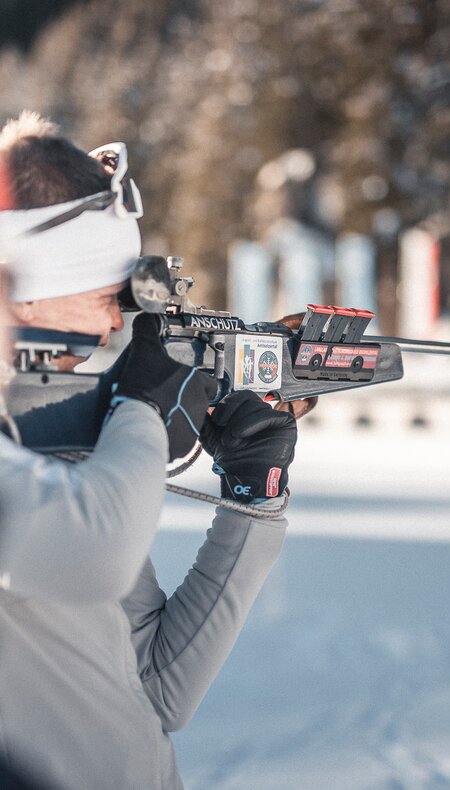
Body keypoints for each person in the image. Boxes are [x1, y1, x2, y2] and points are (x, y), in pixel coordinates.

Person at [0, 112, 297, 790]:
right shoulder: (81, 499)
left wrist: (254, 501)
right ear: (22, 288)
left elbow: (158, 692)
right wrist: (141, 405)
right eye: (106, 297)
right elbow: (97, 550)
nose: (114, 321)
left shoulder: (62, 458)